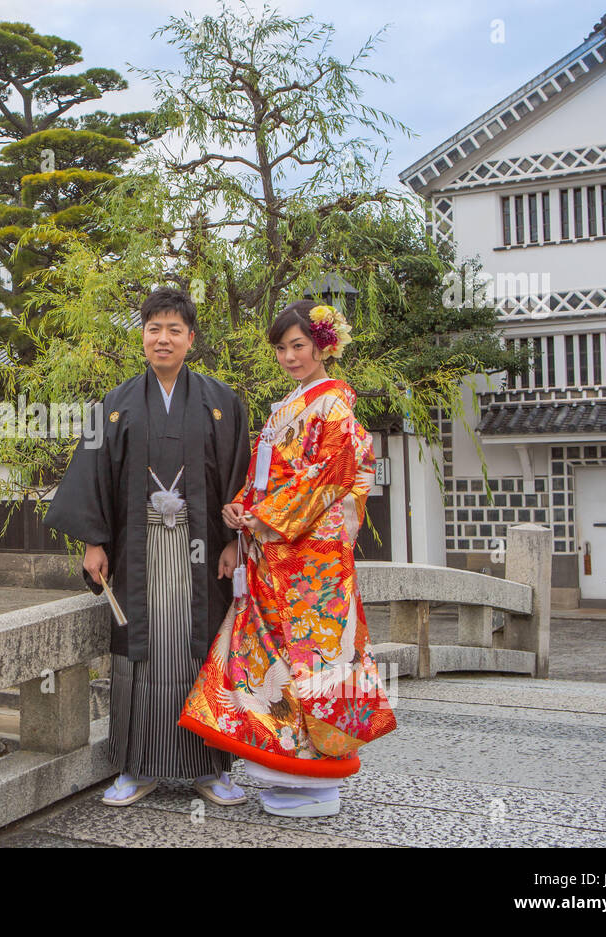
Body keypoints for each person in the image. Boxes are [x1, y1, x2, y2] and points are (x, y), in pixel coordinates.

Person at [178, 299, 397, 817]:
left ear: (324, 345)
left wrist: (267, 517)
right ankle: (282, 767)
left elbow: (333, 477)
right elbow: (267, 477)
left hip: (311, 562)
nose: (289, 356)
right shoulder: (287, 406)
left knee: (316, 662)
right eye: (281, 348)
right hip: (272, 554)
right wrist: (242, 509)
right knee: (272, 658)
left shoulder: (335, 404)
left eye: (298, 346)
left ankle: (316, 776)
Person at [44, 286, 251, 807]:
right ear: (142, 335)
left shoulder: (223, 403)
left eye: (174, 330)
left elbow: (240, 477)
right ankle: (138, 768)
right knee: (142, 658)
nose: (163, 339)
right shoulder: (112, 406)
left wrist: (234, 543)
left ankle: (212, 768)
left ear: (191, 339)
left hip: (201, 554)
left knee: (201, 652)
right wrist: (95, 542)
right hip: (138, 556)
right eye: (154, 329)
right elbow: (91, 479)